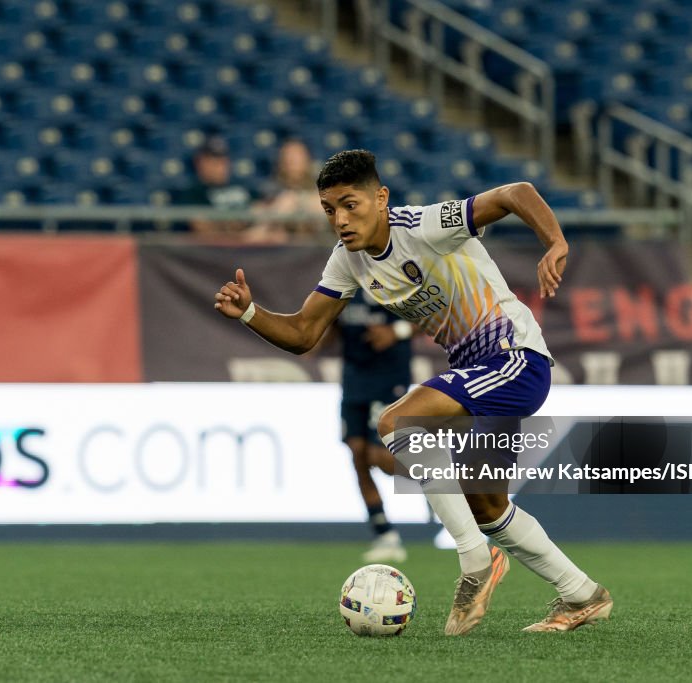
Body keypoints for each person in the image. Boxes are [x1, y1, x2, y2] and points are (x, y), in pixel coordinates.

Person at [214, 149, 612, 635]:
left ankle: (474, 562)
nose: (340, 220)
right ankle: (582, 595)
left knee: (398, 420)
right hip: (476, 374)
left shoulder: (424, 226)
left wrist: (554, 242)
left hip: (513, 359)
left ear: (381, 198)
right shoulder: (348, 261)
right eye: (329, 210)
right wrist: (252, 313)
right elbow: (302, 334)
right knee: (486, 503)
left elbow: (516, 193)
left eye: (350, 204)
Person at [336, 289, 414, 563]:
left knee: (380, 456)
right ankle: (384, 533)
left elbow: (431, 316)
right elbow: (326, 322)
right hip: (354, 378)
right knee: (357, 452)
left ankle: (437, 473)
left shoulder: (393, 275)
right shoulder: (341, 280)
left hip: (389, 376)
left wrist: (397, 331)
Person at [246, 138, 327, 242]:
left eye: (297, 156)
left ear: (307, 159)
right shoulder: (269, 188)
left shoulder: (321, 185)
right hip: (280, 246)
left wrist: (300, 201)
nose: (292, 161)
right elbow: (257, 214)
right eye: (288, 156)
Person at [175, 135, 255, 235]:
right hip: (218, 247)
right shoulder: (193, 193)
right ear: (199, 162)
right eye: (213, 160)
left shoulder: (243, 187)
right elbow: (202, 227)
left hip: (253, 241)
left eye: (223, 160)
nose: (220, 166)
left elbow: (260, 210)